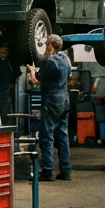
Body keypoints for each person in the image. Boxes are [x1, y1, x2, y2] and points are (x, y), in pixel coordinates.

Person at [26, 34, 72, 181]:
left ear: (50, 46)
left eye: (46, 45)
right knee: (63, 136)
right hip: (64, 100)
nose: (45, 48)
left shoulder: (49, 62)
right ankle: (66, 172)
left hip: (52, 101)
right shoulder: (65, 59)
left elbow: (36, 80)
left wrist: (32, 70)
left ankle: (47, 172)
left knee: (46, 137)